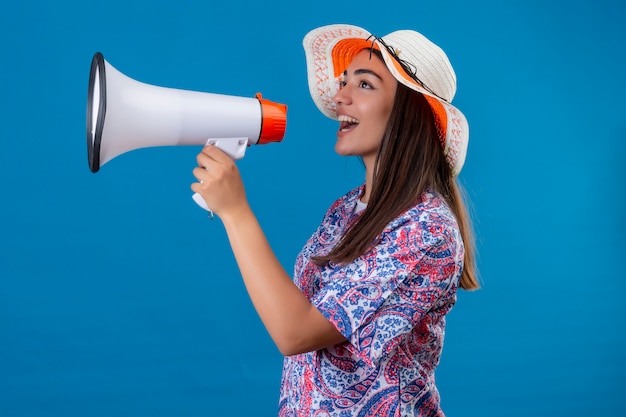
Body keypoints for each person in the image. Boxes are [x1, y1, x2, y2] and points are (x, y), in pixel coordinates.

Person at [191, 23, 479, 417]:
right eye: (344, 82)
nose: (339, 97)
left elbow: (297, 333)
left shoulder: (427, 230)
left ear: (410, 112)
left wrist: (235, 212)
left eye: (364, 85)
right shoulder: (346, 210)